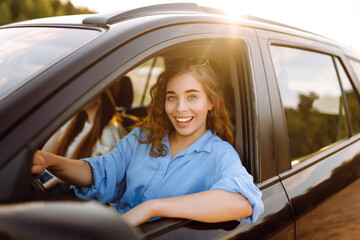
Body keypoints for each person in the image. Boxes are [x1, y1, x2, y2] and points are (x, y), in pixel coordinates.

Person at [32, 58, 264, 226]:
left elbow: (243, 201)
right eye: (172, 97)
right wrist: (49, 161)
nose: (180, 108)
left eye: (192, 96)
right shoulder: (143, 138)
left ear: (211, 103)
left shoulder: (219, 153)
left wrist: (152, 207)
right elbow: (99, 172)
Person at [39, 90, 127, 187]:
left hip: (64, 186)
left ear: (99, 98)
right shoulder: (74, 122)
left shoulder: (109, 130)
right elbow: (46, 152)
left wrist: (54, 182)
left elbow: (106, 173)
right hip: (44, 176)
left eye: (84, 92)